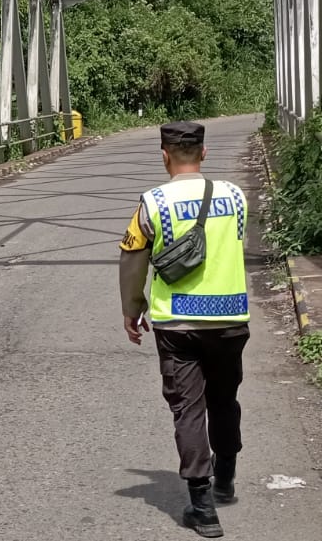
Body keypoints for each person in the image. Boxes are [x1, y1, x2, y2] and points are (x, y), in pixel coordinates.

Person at [117, 121, 251, 539]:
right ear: (204, 153)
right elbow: (236, 243)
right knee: (224, 400)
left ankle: (203, 507)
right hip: (231, 318)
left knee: (188, 409)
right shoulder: (234, 195)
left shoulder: (152, 202)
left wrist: (132, 308)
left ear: (164, 155)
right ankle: (225, 478)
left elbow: (132, 258)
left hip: (177, 323)